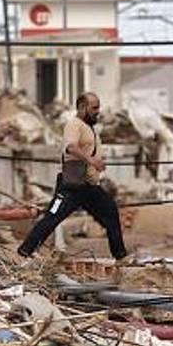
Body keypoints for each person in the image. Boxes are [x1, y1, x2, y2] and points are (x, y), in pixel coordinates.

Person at [17, 91, 127, 261]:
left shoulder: (89, 127)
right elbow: (71, 147)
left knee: (110, 211)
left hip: (89, 187)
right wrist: (92, 161)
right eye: (94, 107)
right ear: (82, 108)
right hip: (71, 187)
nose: (98, 111)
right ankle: (25, 251)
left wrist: (96, 163)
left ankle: (120, 256)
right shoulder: (74, 125)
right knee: (52, 216)